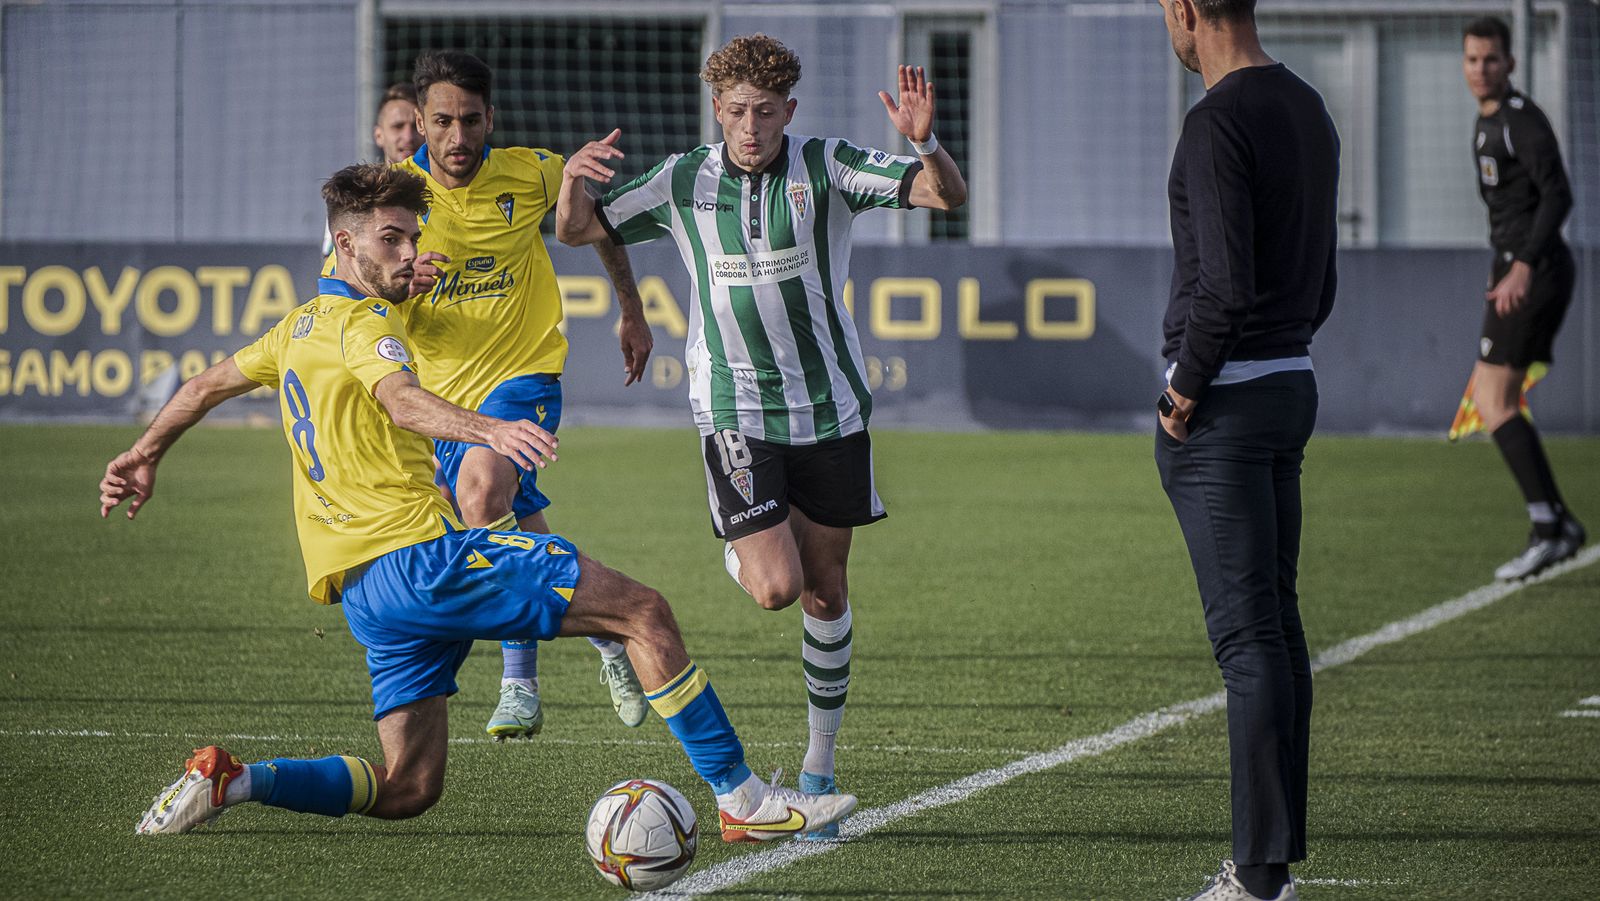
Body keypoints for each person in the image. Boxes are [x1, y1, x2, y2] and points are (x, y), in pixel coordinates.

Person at [104, 163, 854, 843]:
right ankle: (744, 801)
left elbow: (203, 386)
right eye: (390, 240)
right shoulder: (367, 327)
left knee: (406, 787)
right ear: (344, 242)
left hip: (365, 593)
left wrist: (144, 452)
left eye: (412, 237)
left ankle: (236, 778)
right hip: (424, 561)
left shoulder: (298, 325)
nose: (408, 253)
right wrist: (488, 425)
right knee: (643, 612)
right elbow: (401, 401)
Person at [555, 34, 966, 841]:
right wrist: (571, 184)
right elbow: (578, 230)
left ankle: (818, 766)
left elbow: (943, 196)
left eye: (766, 113)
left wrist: (924, 141)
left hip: (833, 409)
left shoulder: (828, 165)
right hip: (734, 407)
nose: (751, 127)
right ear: (718, 108)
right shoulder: (683, 179)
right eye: (738, 111)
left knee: (826, 590)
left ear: (790, 111)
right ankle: (742, 539)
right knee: (775, 584)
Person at [394, 50, 657, 739]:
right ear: (419, 120)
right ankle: (606, 634)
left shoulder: (531, 170)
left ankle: (519, 683)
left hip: (523, 379)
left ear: (492, 118)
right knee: (516, 525)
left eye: (470, 120)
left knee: (483, 498)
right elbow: (345, 294)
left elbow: (587, 228)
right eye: (442, 121)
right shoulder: (389, 199)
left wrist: (630, 309)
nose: (457, 137)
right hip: (445, 406)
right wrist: (394, 281)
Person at [1152, 1, 1339, 898]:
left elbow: (1223, 284)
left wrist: (1184, 387)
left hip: (1223, 403)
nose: (1169, 27)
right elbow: (1322, 276)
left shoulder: (1216, 119)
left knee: (1249, 641)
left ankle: (1260, 880)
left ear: (1189, 10)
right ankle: (1272, 868)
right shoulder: (1308, 105)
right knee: (1279, 626)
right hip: (1289, 382)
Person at [1460, 16, 1585, 581]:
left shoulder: (1520, 123)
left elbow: (1558, 195)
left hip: (1532, 272)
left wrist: (1524, 268)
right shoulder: (1487, 123)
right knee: (1492, 398)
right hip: (1514, 268)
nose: (1481, 69)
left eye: (1491, 59)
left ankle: (1548, 527)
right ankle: (1556, 522)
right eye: (1472, 59)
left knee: (1495, 399)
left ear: (1510, 63)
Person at [373, 82, 424, 165]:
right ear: (378, 136)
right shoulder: (357, 178)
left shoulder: (445, 178)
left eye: (417, 126)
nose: (408, 137)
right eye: (398, 127)